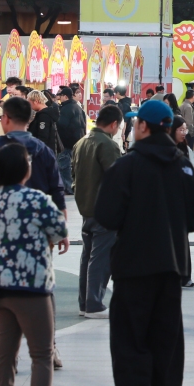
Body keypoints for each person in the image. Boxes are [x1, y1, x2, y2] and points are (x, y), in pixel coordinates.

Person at [95, 100, 194, 386]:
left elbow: (107, 216)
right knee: (167, 352)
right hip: (171, 271)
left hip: (132, 271)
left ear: (142, 127)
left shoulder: (126, 167)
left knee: (130, 350)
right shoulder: (183, 166)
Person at [0, 143, 67, 386]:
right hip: (31, 286)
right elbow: (59, 229)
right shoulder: (36, 199)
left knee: (5, 352)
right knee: (40, 354)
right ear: (25, 170)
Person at [0, 97, 68, 248]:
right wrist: (61, 230)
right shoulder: (43, 151)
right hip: (38, 232)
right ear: (29, 120)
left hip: (0, 230)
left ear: (5, 118)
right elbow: (57, 191)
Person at [71, 104, 122, 318]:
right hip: (105, 210)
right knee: (101, 258)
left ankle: (85, 303)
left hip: (85, 207)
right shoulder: (108, 145)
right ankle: (94, 303)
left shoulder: (80, 143)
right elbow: (117, 180)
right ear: (113, 124)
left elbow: (73, 175)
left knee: (88, 257)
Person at [56, 86, 86, 198]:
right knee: (74, 166)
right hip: (78, 141)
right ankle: (73, 186)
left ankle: (68, 187)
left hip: (66, 142)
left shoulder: (66, 109)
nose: (59, 99)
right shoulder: (77, 107)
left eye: (61, 96)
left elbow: (62, 124)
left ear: (65, 96)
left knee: (64, 166)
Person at [27, 89, 62, 155]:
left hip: (44, 153)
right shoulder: (47, 113)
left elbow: (43, 136)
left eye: (29, 103)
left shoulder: (43, 116)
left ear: (36, 101)